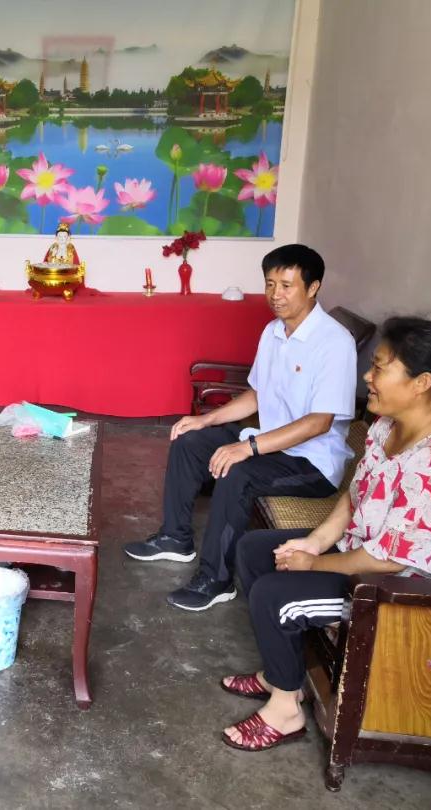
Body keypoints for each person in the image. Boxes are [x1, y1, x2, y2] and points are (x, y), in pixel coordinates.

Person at [220, 317, 431, 751]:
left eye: (379, 367)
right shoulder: (391, 424)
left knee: (274, 594)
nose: (367, 376)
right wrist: (314, 543)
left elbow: (387, 560)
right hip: (372, 554)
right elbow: (356, 494)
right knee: (256, 549)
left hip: (413, 595)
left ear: (421, 383)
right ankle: (281, 677)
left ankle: (285, 711)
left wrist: (314, 562)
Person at [124, 244, 358, 611]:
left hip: (311, 463)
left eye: (287, 286)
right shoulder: (273, 332)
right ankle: (175, 538)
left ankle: (216, 580)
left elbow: (319, 422)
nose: (275, 295)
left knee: (238, 473)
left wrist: (247, 448)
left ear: (313, 288)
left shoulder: (334, 343)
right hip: (270, 443)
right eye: (270, 284)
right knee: (190, 440)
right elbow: (257, 395)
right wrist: (205, 419)